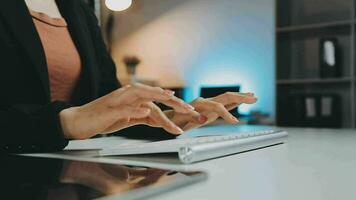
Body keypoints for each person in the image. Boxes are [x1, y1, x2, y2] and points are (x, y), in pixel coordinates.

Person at [0, 0, 257, 153]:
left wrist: (170, 117)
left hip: (72, 175)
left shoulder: (78, 8)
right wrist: (66, 122)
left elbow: (107, 101)